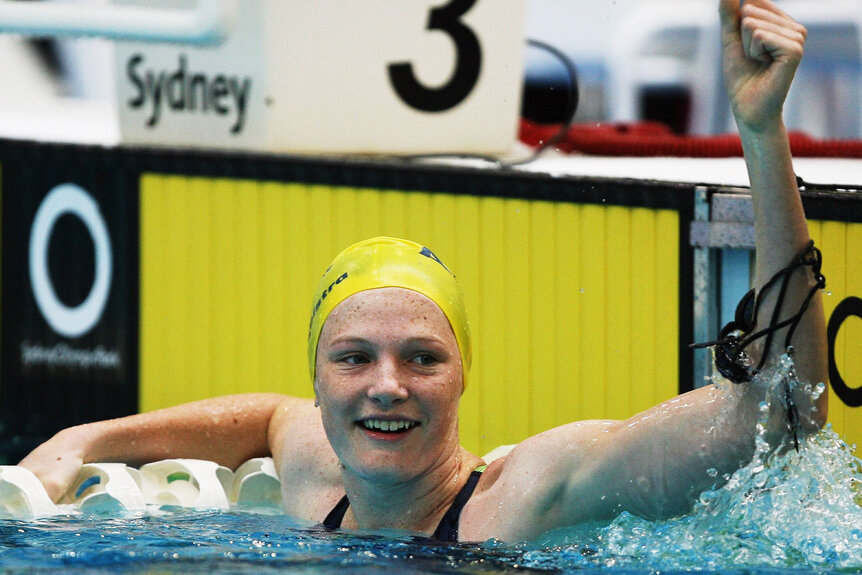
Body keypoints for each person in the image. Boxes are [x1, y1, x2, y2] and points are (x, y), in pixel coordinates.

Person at [20, 0, 826, 543]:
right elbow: (264, 416)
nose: (385, 384)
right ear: (320, 380)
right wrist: (82, 435)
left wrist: (762, 132)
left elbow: (782, 412)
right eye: (354, 356)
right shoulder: (319, 477)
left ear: (463, 373)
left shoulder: (529, 497)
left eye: (422, 356)